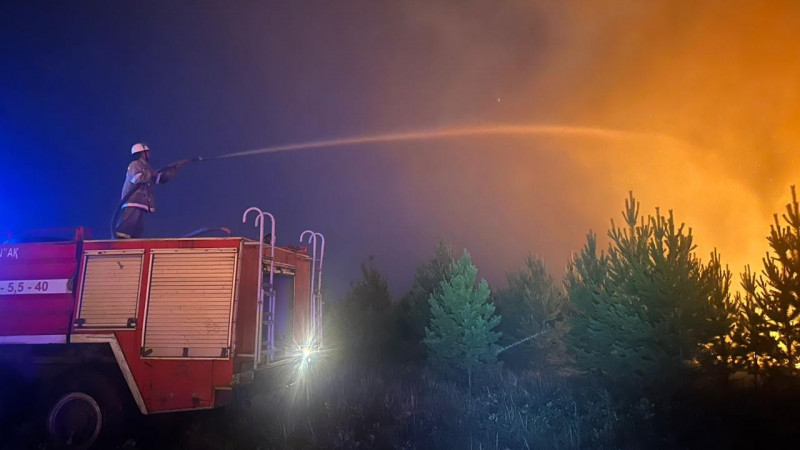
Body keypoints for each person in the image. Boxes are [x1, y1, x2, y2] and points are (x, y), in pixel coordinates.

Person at [114, 142, 178, 239]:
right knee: (127, 225)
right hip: (133, 201)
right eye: (147, 152)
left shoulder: (146, 167)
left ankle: (133, 242)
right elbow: (138, 179)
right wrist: (151, 174)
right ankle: (119, 242)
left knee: (137, 229)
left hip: (141, 202)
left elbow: (157, 179)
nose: (149, 154)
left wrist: (171, 172)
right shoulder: (135, 164)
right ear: (142, 153)